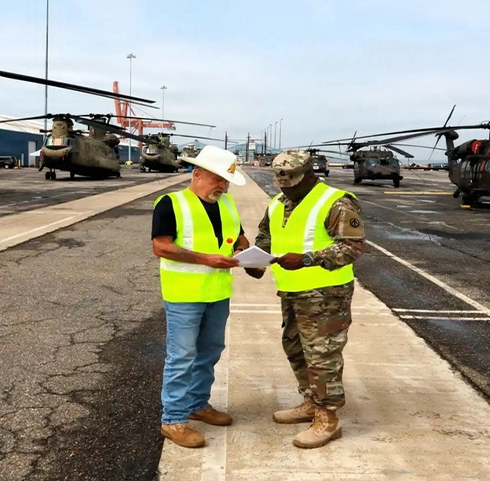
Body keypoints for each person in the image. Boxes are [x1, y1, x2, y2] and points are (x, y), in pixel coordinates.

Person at [254, 150, 365, 449]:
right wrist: (256, 260)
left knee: (322, 357)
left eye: (292, 182)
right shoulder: (278, 203)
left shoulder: (336, 201)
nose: (287, 188)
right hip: (291, 291)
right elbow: (265, 236)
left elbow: (352, 247)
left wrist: (306, 259)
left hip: (327, 294)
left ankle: (328, 418)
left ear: (309, 174)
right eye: (282, 183)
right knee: (295, 348)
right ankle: (311, 402)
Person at [151, 145, 251, 448]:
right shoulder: (171, 203)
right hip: (184, 294)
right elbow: (161, 247)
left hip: (218, 293)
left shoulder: (227, 203)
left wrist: (245, 253)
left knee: (210, 352)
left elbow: (238, 236)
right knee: (182, 357)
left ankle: (197, 404)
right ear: (197, 175)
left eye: (226, 181)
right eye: (218, 179)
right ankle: (173, 420)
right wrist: (207, 259)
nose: (223, 186)